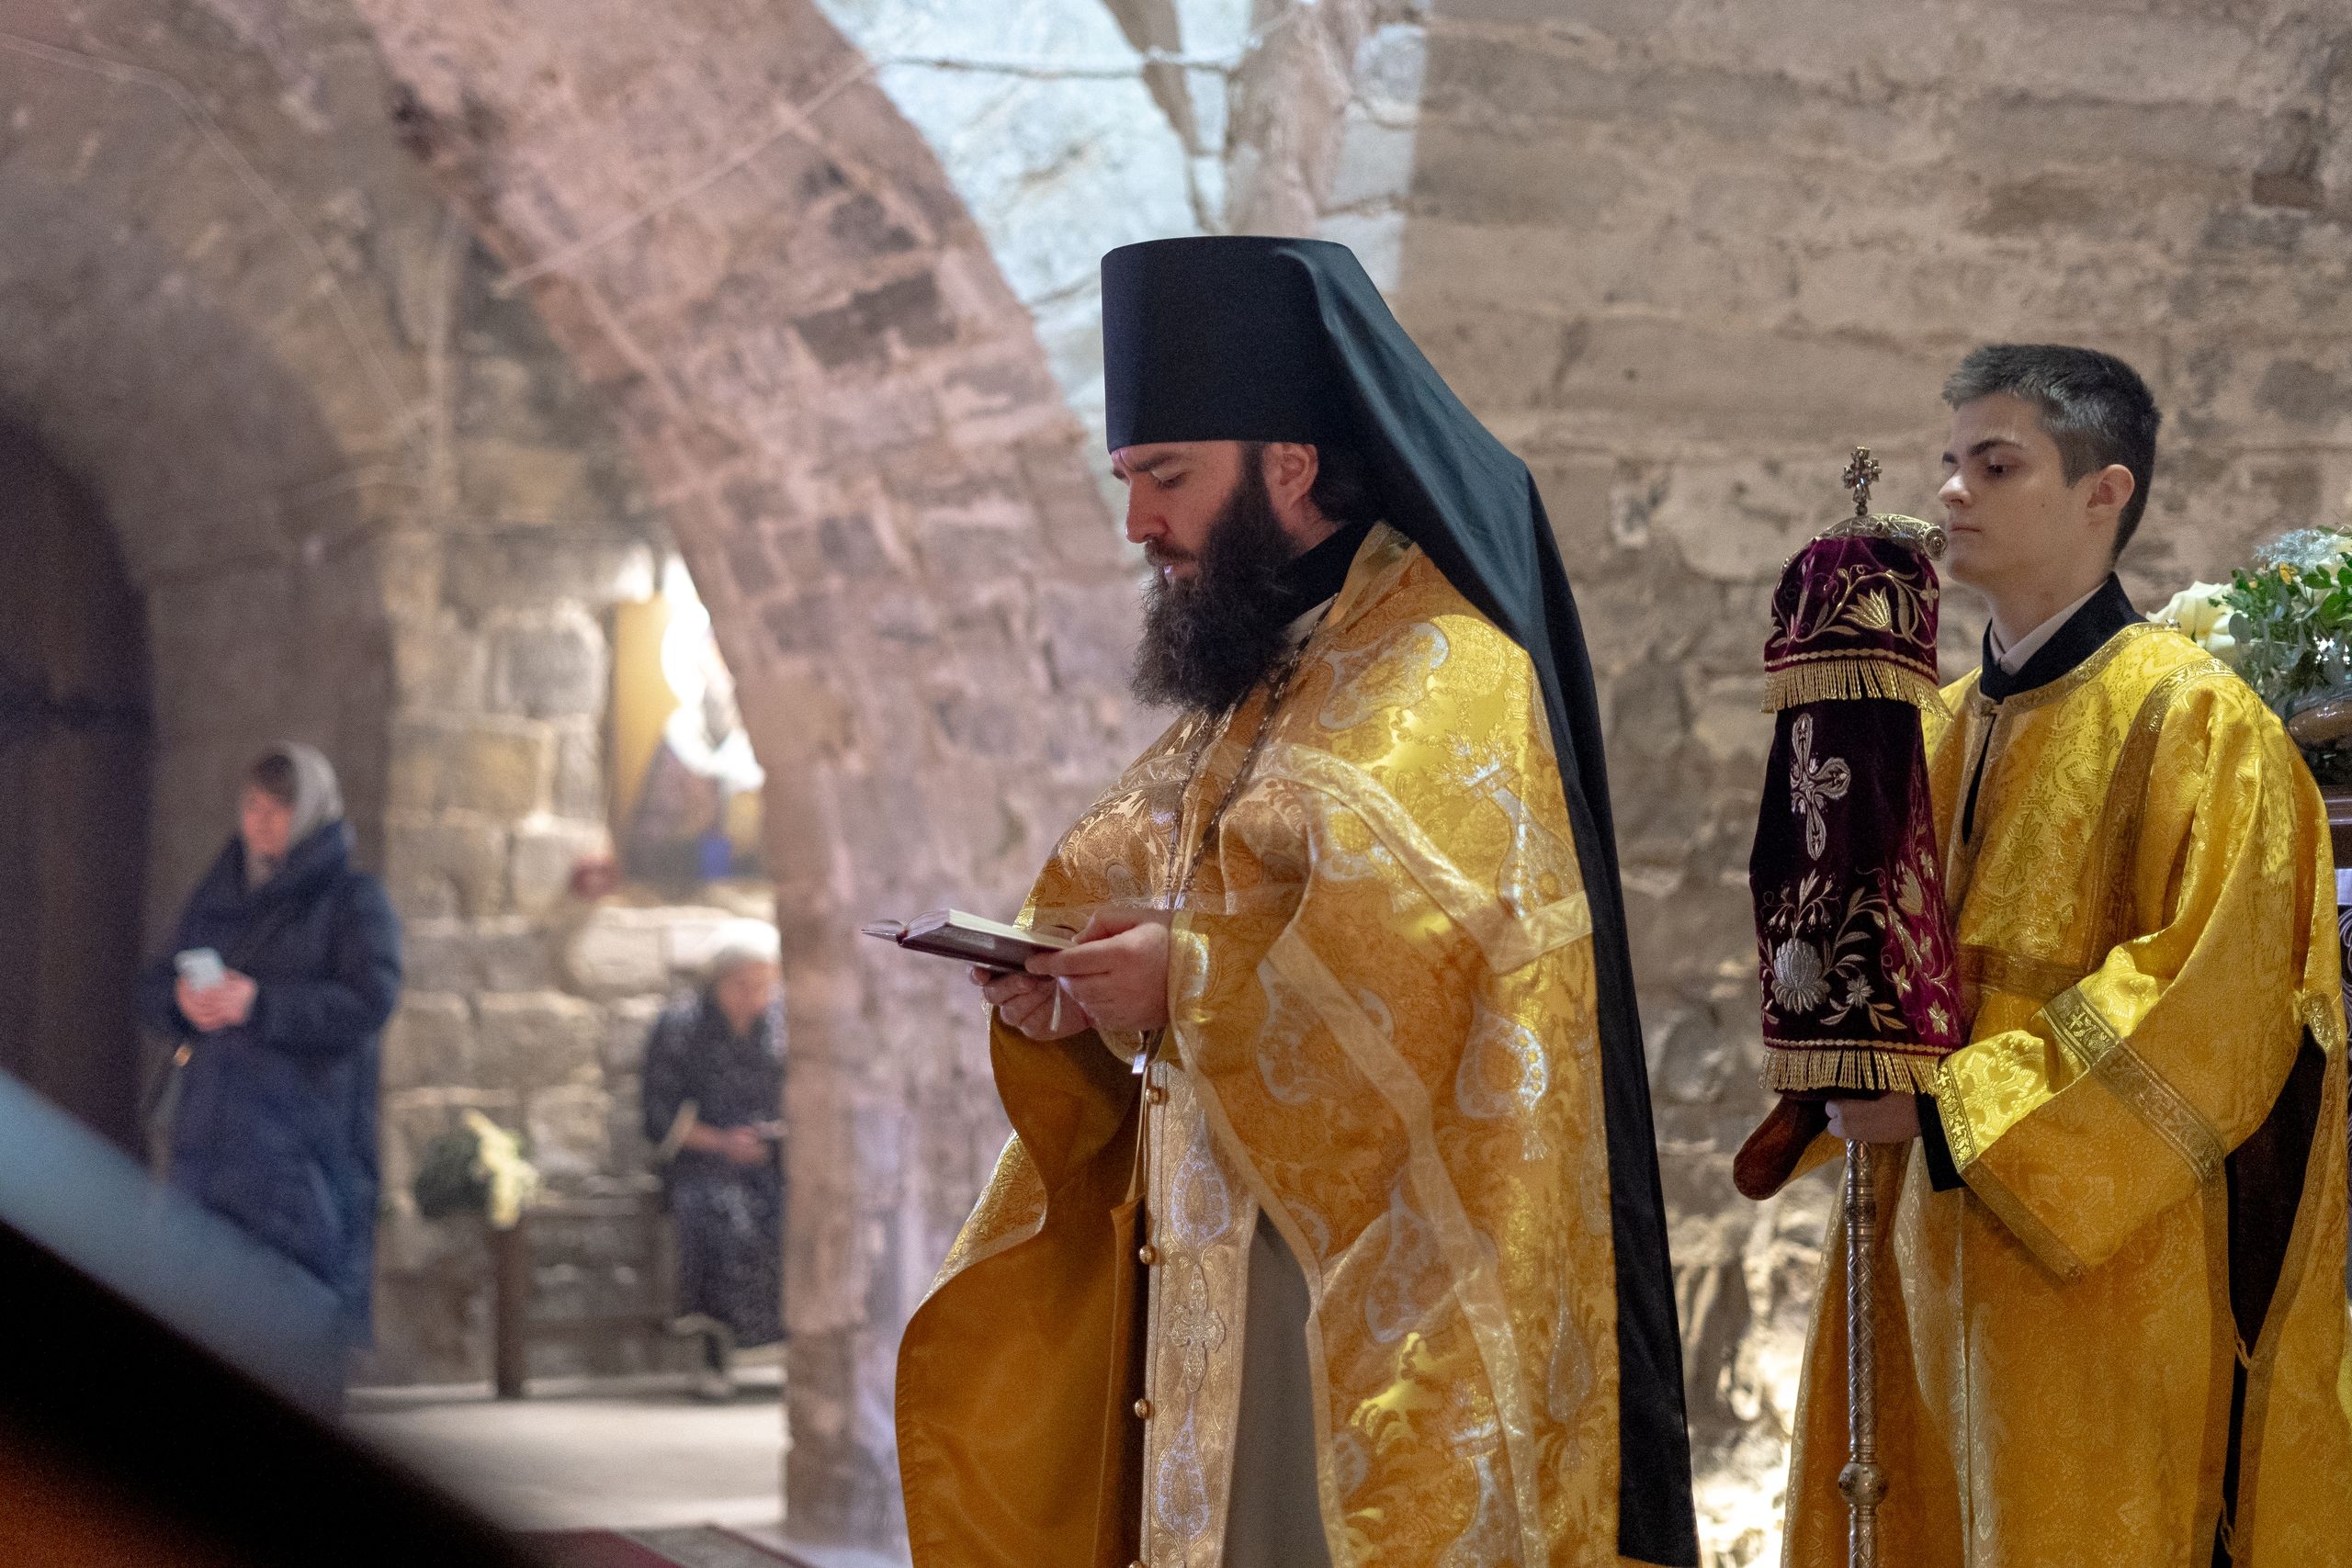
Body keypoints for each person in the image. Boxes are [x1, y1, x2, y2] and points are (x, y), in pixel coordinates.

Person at [895, 237, 1699, 1568]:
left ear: (1288, 464)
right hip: (1205, 1248)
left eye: (1167, 477)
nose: (1138, 522)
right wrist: (1075, 992)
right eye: (1128, 480)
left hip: (1346, 1299)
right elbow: (1144, 884)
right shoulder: (1267, 670)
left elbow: (1449, 975)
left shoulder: (1444, 667)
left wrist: (1188, 979)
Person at [1781, 345, 2352, 1565]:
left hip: (2098, 1270)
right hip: (1913, 1244)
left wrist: (1945, 1107)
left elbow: (2206, 999)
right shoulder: (1929, 728)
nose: (1951, 492)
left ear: (2105, 492)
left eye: (1996, 465)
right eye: (1949, 462)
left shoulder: (2198, 723)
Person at [139, 742, 401, 1370]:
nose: (261, 820)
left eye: (279, 807)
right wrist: (180, 999)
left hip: (299, 1152)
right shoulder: (220, 892)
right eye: (252, 804)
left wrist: (261, 1004)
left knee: (291, 1339)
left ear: (309, 812)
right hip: (210, 1148)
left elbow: (369, 1001)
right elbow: (154, 984)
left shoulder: (351, 900)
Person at [640, 921, 786, 1399]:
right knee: (718, 1216)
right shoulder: (680, 1027)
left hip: (770, 1159)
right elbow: (660, 1113)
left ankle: (788, 1347)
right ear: (717, 982)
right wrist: (723, 1143)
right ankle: (714, 1355)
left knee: (800, 1214)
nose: (755, 997)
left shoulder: (781, 1025)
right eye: (743, 985)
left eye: (765, 986)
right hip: (703, 1159)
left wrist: (774, 1138)